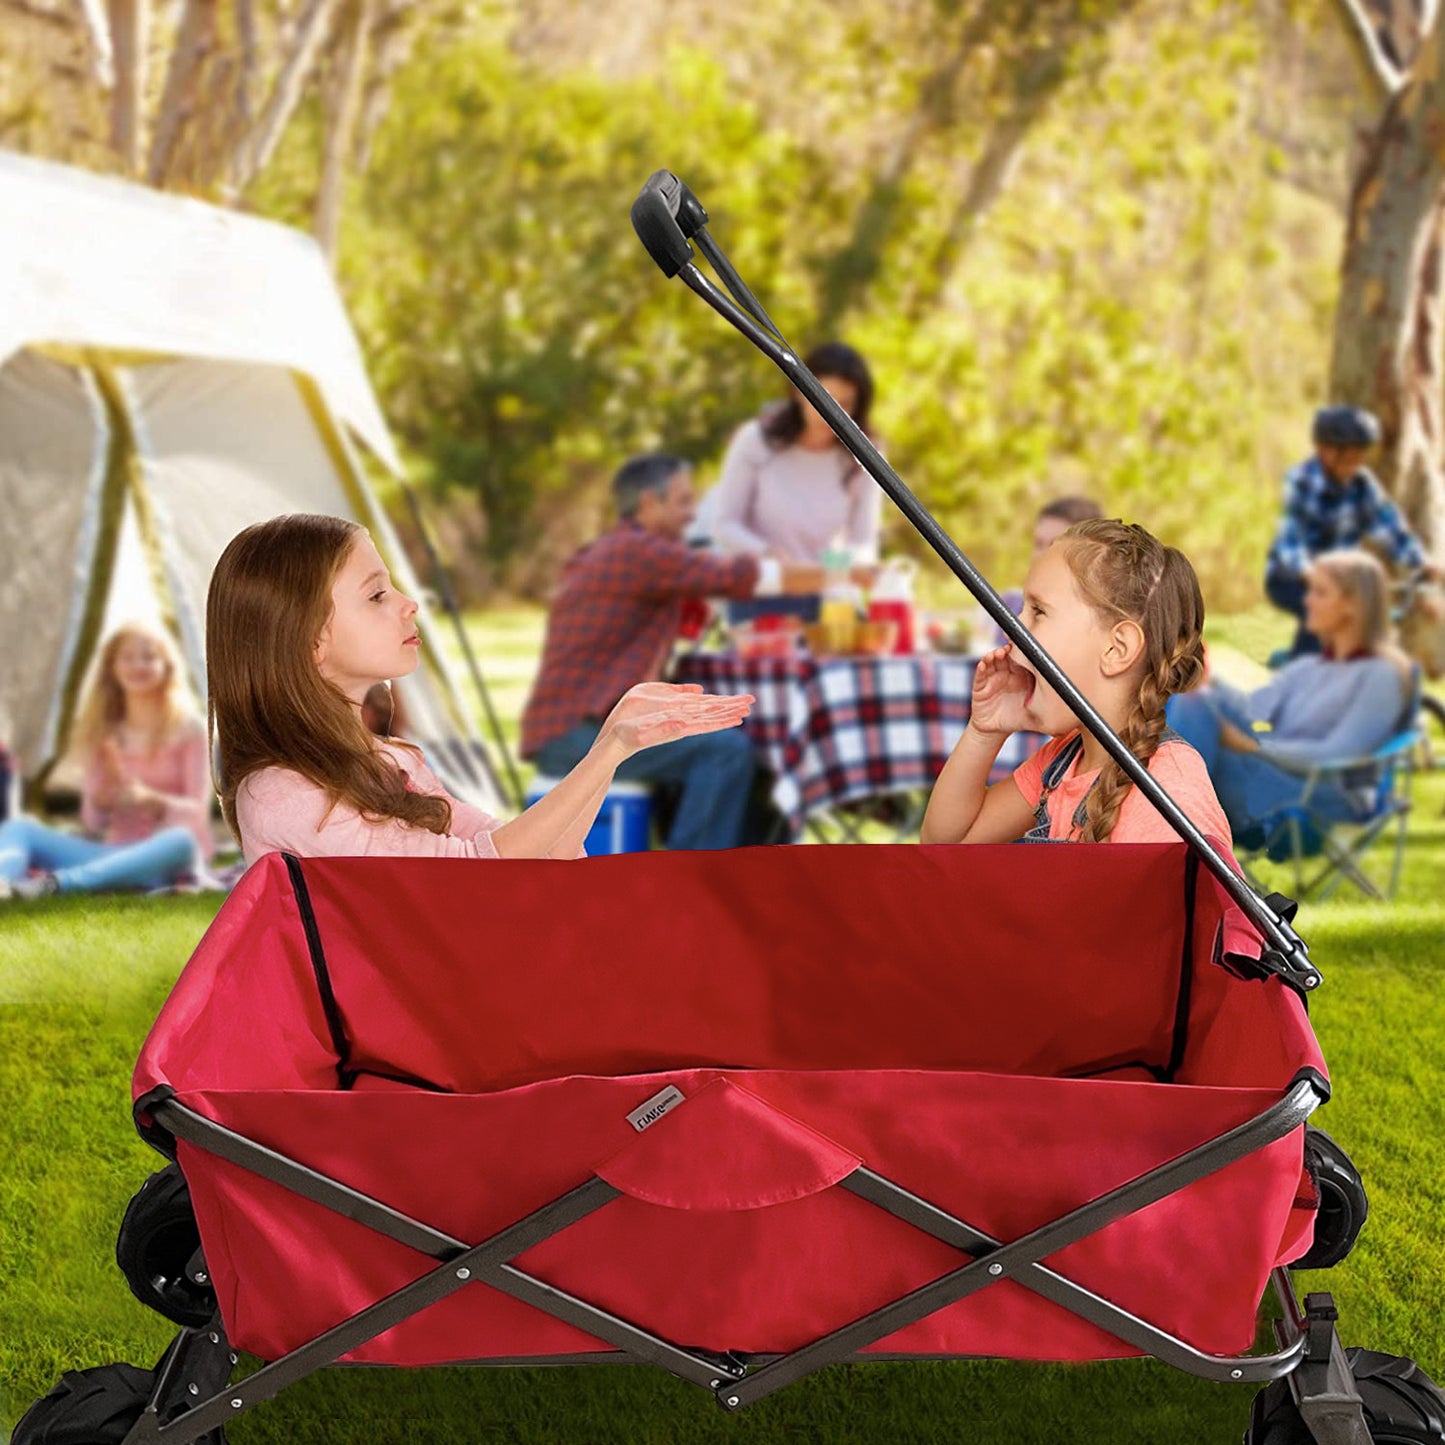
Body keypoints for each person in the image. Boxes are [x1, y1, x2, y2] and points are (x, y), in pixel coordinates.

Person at [208, 513, 754, 867]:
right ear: (308, 642)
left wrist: (614, 743)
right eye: (376, 596)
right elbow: (482, 876)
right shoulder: (282, 795)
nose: (407, 602)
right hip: (425, 1027)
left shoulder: (390, 760)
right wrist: (607, 751)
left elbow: (545, 857)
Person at [523, 453, 822, 851]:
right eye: (683, 501)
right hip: (576, 735)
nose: (691, 514)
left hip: (570, 726)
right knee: (724, 752)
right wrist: (837, 575)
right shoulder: (638, 552)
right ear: (650, 503)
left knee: (735, 747)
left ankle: (740, 875)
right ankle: (686, 886)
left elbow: (683, 609)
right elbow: (733, 577)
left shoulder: (618, 551)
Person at [922, 519, 1229, 846]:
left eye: (1038, 612)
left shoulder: (1171, 798)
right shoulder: (1065, 761)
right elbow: (946, 846)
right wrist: (985, 731)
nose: (1013, 627)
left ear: (1116, 649)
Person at [1168, 550, 1412, 838]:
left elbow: (1340, 751)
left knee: (1193, 718)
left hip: (1320, 797)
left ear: (1352, 607)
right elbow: (1255, 709)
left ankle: (1155, 832)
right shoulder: (1310, 667)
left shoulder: (1379, 676)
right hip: (1278, 774)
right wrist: (1208, 679)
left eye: (1320, 593)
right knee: (1193, 699)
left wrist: (1257, 748)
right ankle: (1159, 828)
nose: (1307, 601)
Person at [0, 623, 210, 899]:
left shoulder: (191, 730)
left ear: (167, 665)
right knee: (19, 827)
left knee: (180, 840)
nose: (138, 665)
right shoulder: (103, 733)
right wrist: (101, 799)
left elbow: (197, 813)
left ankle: (54, 885)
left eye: (148, 656)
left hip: (166, 858)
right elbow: (92, 822)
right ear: (112, 668)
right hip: (110, 855)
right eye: (128, 657)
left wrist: (152, 801)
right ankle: (4, 884)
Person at [1266, 406, 1437, 656]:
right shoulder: (1302, 481)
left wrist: (1421, 563)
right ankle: (1302, 675)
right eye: (1349, 455)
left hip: (1343, 583)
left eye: (1360, 455)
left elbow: (1389, 526)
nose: (1355, 463)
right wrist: (1313, 574)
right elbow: (1290, 543)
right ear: (1325, 451)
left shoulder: (1362, 484)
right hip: (1291, 577)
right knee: (1322, 617)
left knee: (1368, 630)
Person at [708, 341, 882, 564]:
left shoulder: (864, 455)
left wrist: (825, 569)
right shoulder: (756, 440)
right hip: (762, 587)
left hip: (826, 590)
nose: (829, 414)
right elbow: (724, 526)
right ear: (799, 392)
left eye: (844, 404)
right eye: (821, 400)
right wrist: (768, 554)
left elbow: (864, 545)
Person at [996, 495, 1105, 643]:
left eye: (1054, 546)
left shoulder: (1097, 630)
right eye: (1038, 544)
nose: (1040, 556)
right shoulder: (1013, 606)